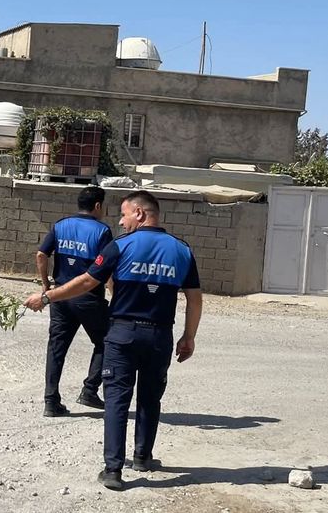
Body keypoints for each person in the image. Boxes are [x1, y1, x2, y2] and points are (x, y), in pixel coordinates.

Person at [25, 190, 202, 492]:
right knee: (150, 398)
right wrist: (189, 337)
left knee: (117, 399)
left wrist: (47, 296)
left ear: (140, 213)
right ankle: (143, 457)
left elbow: (86, 281)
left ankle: (113, 470)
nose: (120, 221)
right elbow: (195, 298)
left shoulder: (120, 246)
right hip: (159, 335)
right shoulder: (181, 250)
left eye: (124, 214)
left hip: (123, 334)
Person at [34, 185, 113, 417]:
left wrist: (46, 285)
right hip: (88, 298)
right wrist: (116, 296)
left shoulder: (61, 225)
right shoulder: (102, 231)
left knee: (56, 348)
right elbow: (107, 270)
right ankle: (89, 390)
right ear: (97, 206)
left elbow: (41, 254)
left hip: (60, 297)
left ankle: (51, 401)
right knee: (107, 341)